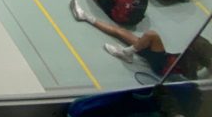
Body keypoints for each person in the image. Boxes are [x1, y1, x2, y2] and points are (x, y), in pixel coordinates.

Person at [69, 15, 212, 78]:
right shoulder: (202, 48)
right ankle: (86, 17)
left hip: (162, 65)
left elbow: (191, 78)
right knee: (121, 32)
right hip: (163, 56)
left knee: (151, 35)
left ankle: (127, 53)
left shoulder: (193, 62)